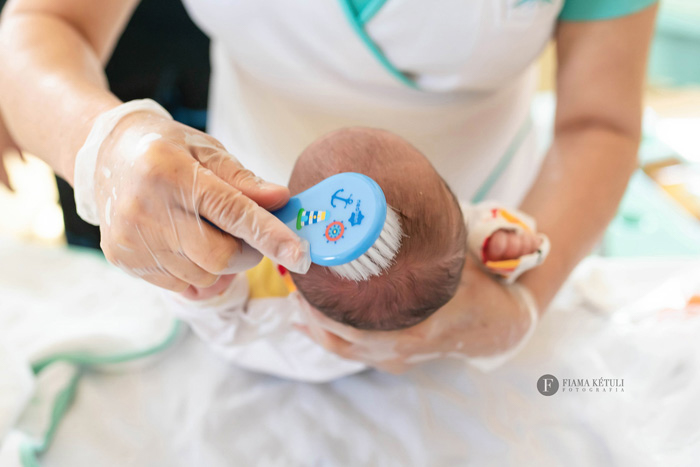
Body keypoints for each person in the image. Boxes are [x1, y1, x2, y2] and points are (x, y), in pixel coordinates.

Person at [0, 0, 658, 370]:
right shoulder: (262, 295)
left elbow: (597, 122)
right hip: (237, 190)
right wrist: (105, 145)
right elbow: (45, 24)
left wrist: (520, 304)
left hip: (476, 234)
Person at [170, 127, 547, 381]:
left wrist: (214, 295)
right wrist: (497, 238)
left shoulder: (440, 229)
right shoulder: (440, 233)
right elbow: (232, 335)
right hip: (281, 370)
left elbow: (229, 329)